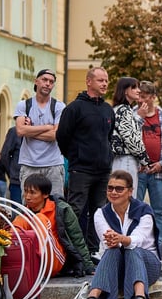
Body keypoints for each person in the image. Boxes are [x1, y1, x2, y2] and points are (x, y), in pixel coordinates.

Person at [80, 170, 161, 299]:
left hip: (147, 264)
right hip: (118, 265)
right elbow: (108, 241)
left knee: (132, 248)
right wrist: (116, 240)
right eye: (110, 188)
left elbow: (139, 239)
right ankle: (93, 297)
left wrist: (122, 239)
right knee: (112, 250)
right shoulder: (101, 213)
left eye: (119, 189)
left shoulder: (144, 211)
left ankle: (140, 296)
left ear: (130, 191)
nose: (113, 192)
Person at [56, 67, 115, 257]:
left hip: (103, 170)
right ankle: (71, 251)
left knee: (99, 212)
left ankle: (92, 251)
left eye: (106, 80)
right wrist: (75, 156)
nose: (105, 84)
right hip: (81, 169)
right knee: (75, 211)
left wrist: (108, 157)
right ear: (89, 82)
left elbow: (109, 136)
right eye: (100, 80)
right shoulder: (74, 108)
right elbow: (62, 136)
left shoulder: (107, 110)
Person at [15, 174, 94, 277]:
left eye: (32, 193)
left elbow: (77, 239)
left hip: (54, 259)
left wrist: (88, 265)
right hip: (30, 261)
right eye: (26, 191)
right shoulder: (20, 212)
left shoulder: (61, 209)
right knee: (20, 220)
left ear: (45, 194)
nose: (28, 196)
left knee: (40, 218)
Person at [133, 81, 162, 246]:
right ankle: (136, 243)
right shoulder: (132, 115)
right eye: (139, 96)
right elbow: (127, 139)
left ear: (153, 97)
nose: (140, 100)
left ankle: (160, 246)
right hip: (138, 170)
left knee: (159, 211)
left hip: (161, 171)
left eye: (144, 97)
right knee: (134, 209)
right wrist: (140, 117)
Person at [14, 69, 67, 198]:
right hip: (29, 164)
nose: (48, 84)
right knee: (29, 204)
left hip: (53, 164)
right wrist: (47, 127)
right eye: (44, 80)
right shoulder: (24, 105)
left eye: (51, 82)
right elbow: (20, 131)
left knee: (56, 205)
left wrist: (30, 130)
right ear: (36, 81)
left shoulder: (59, 106)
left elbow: (55, 135)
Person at [110, 77, 149, 199]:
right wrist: (144, 160)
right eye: (134, 87)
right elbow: (131, 138)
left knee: (120, 198)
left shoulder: (118, 109)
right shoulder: (124, 110)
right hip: (125, 160)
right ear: (125, 90)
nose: (138, 91)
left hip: (119, 159)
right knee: (127, 199)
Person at [0, 125, 22, 203]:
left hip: (38, 182)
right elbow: (5, 155)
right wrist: (12, 173)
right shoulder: (15, 131)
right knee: (18, 213)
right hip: (17, 181)